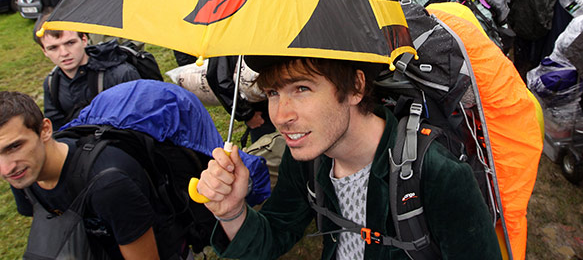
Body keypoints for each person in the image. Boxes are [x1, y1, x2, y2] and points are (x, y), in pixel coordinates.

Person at [195, 56, 501, 259]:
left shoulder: (438, 176)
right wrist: (232, 212)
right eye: (273, 93)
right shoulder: (307, 159)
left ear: (355, 87)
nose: (280, 116)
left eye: (302, 88)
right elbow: (274, 234)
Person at [1, 91, 164, 259]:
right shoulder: (22, 172)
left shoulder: (109, 185)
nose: (6, 169)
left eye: (15, 147)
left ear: (45, 130)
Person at [39, 29, 141, 130]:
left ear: (84, 40)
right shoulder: (51, 83)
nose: (64, 53)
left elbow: (140, 121)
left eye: (70, 43)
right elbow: (56, 127)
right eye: (53, 48)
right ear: (44, 51)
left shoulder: (120, 73)